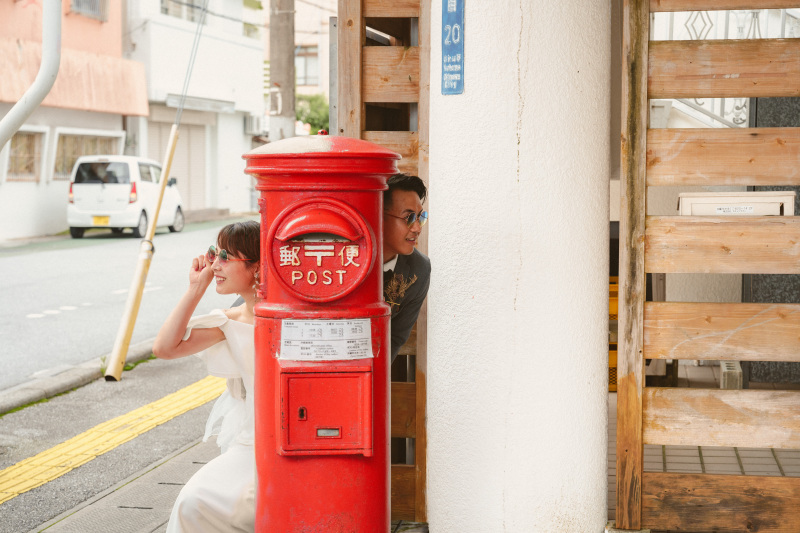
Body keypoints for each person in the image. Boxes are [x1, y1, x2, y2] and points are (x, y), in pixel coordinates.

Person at [153, 220, 260, 533]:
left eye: (226, 257)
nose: (215, 264)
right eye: (214, 254)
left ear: (257, 267)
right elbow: (165, 348)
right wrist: (195, 288)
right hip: (251, 442)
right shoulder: (230, 320)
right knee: (192, 501)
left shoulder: (291, 317)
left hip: (295, 442)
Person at [383, 174, 431, 361]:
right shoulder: (345, 257)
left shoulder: (419, 269)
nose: (417, 228)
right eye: (409, 217)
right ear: (377, 214)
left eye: (420, 217)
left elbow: (395, 337)